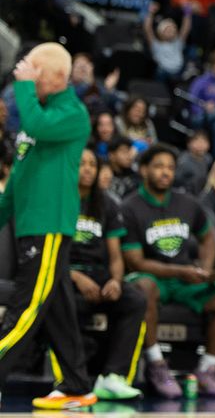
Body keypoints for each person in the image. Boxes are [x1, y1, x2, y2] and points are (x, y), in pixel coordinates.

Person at [0, 43, 99, 409]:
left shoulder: (72, 113)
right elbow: (15, 186)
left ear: (55, 76)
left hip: (48, 225)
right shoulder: (34, 120)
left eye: (31, 68)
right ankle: (75, 384)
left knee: (25, 307)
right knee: (56, 308)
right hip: (30, 224)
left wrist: (24, 87)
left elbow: (36, 123)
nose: (22, 72)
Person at [121, 144, 215, 397]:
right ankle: (156, 365)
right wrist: (180, 272)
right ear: (144, 170)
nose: (165, 173)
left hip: (185, 279)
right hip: (153, 276)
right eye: (159, 167)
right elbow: (135, 262)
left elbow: (208, 238)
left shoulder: (188, 203)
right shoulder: (130, 206)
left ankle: (207, 369)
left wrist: (206, 268)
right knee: (143, 288)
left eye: (170, 168)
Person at [67, 148, 147, 400]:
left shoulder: (107, 204)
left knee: (135, 300)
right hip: (65, 274)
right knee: (67, 304)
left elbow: (115, 255)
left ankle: (113, 376)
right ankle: (71, 377)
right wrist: (77, 278)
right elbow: (52, 252)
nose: (88, 169)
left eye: (93, 164)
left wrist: (115, 280)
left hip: (98, 273)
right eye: (82, 163)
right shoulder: (60, 200)